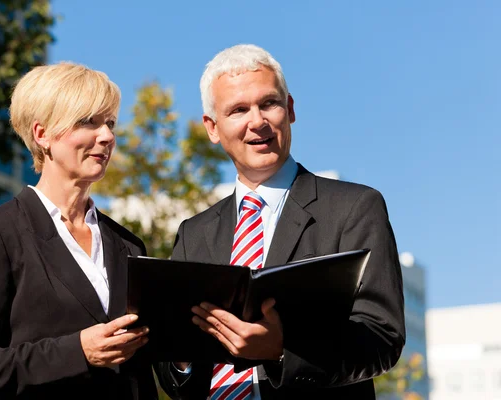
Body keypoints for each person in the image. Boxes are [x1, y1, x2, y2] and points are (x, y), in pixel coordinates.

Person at [155, 44, 405, 399]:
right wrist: (180, 356)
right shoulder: (193, 233)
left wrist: (280, 351)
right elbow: (174, 376)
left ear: (289, 109)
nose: (257, 121)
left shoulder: (355, 208)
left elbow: (381, 338)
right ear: (212, 127)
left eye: (269, 104)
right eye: (239, 110)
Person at [0, 62, 157, 399]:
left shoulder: (128, 245)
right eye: (89, 122)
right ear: (42, 135)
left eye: (111, 123)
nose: (107, 136)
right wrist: (78, 352)